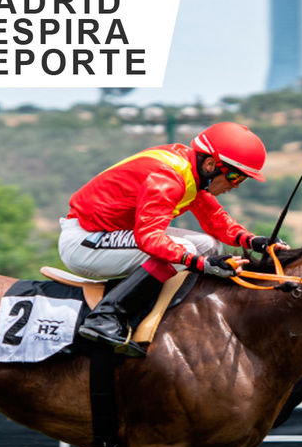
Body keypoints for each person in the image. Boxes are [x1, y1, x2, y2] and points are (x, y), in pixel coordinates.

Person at [60, 121, 287, 356]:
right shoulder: (169, 177)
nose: (235, 185)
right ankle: (105, 316)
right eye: (234, 176)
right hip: (86, 240)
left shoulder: (192, 172)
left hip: (111, 235)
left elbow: (215, 219)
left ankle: (187, 314)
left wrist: (252, 241)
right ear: (210, 164)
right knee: (186, 250)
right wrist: (201, 263)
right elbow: (149, 238)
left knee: (209, 245)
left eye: (241, 180)